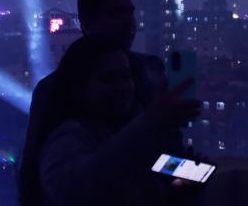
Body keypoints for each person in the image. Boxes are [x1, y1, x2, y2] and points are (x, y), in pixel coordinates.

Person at [19, 0, 198, 205]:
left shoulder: (149, 72)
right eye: (115, 13)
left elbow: (158, 157)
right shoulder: (55, 97)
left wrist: (189, 174)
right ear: (86, 23)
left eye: (130, 12)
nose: (128, 22)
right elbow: (53, 177)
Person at [30, 34, 197, 206]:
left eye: (126, 76)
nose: (122, 87)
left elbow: (154, 171)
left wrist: (190, 175)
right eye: (108, 79)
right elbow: (77, 191)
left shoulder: (127, 127)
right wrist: (151, 121)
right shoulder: (64, 141)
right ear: (79, 86)